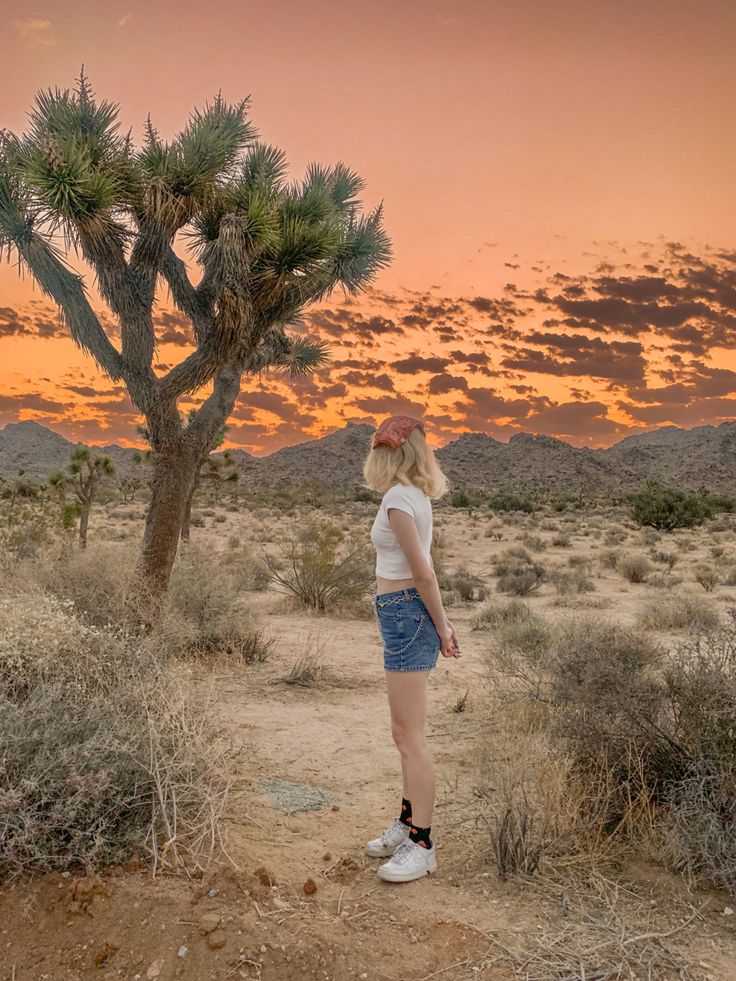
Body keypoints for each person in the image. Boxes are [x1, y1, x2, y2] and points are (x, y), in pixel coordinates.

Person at [362, 414, 460, 883]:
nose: (377, 455)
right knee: (406, 735)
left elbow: (424, 573)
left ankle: (422, 843)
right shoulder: (413, 496)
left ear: (394, 453)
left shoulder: (399, 499)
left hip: (406, 612)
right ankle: (407, 824)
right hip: (403, 613)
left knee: (409, 737)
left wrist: (442, 627)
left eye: (383, 448)